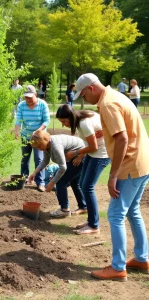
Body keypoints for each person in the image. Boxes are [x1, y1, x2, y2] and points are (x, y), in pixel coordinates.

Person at [73, 73, 149, 281]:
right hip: (143, 162)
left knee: (115, 214)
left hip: (131, 165)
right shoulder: (115, 96)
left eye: (83, 95)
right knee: (132, 210)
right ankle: (142, 259)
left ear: (90, 89)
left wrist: (113, 175)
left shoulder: (107, 103)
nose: (84, 100)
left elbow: (122, 139)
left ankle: (117, 267)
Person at [56, 104, 110, 234]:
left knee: (87, 187)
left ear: (70, 117)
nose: (63, 125)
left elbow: (94, 147)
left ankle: (94, 225)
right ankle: (90, 220)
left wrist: (75, 153)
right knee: (82, 183)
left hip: (101, 154)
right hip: (94, 153)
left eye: (64, 121)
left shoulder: (84, 123)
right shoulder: (84, 118)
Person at [28, 130, 87, 217]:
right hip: (73, 159)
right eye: (37, 147)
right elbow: (45, 161)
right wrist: (34, 173)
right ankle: (83, 207)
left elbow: (63, 167)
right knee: (74, 183)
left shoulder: (55, 146)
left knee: (60, 182)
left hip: (79, 158)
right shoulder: (47, 145)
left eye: (40, 146)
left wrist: (52, 182)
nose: (39, 149)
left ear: (46, 139)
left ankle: (64, 210)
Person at [14, 85, 50, 192]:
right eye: (26, 97)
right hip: (25, 136)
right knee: (25, 158)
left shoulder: (42, 104)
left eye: (30, 97)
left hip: (39, 138)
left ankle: (40, 182)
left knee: (39, 159)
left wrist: (37, 131)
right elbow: (18, 120)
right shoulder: (21, 105)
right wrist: (17, 130)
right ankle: (24, 179)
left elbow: (46, 121)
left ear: (35, 94)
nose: (28, 100)